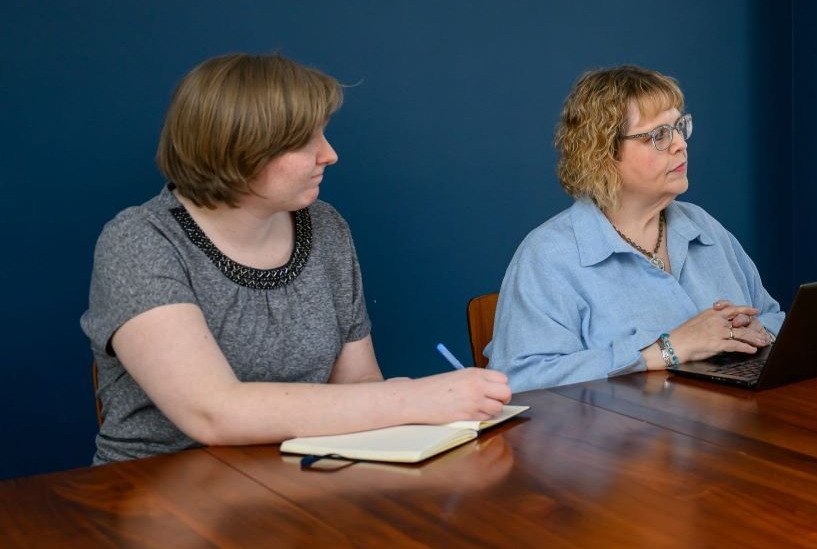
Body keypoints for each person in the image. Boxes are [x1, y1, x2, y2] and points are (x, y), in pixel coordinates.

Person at [82, 53, 512, 464]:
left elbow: (360, 385)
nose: (329, 154)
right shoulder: (139, 241)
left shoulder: (324, 227)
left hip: (295, 481)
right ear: (240, 148)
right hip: (156, 493)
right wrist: (417, 399)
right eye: (305, 141)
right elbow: (213, 413)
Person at [488, 65, 782, 392]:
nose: (680, 144)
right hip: (621, 439)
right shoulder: (548, 256)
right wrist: (665, 350)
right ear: (601, 155)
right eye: (658, 135)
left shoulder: (703, 226)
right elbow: (521, 380)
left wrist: (752, 331)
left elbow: (773, 316)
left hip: (732, 428)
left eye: (679, 126)